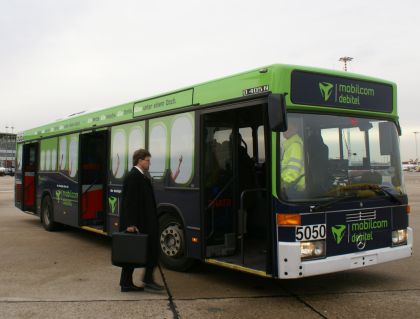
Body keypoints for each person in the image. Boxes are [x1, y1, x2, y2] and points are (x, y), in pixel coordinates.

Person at [119, 149, 164, 292]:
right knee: (142, 250)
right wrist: (130, 224)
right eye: (147, 160)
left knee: (134, 251)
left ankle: (127, 283)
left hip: (143, 220)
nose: (149, 163)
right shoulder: (134, 177)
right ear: (139, 160)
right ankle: (146, 280)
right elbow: (129, 202)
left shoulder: (139, 175)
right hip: (140, 222)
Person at [281, 119, 305, 197]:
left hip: (294, 187)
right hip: (292, 185)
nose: (285, 130)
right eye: (284, 127)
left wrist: (284, 184)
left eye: (289, 127)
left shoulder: (295, 145)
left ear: (296, 129)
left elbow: (293, 169)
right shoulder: (290, 144)